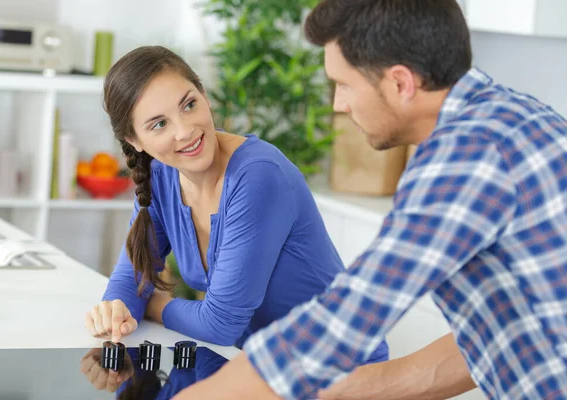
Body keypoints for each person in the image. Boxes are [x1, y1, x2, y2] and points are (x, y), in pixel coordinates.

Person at [173, 0, 567, 399]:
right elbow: (502, 329)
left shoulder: (467, 159)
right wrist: (347, 390)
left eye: (344, 85)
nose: (338, 104)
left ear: (400, 83)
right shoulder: (515, 118)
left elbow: (346, 321)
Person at [83, 45, 389, 365]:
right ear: (134, 141)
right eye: (159, 124)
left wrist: (154, 304)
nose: (186, 131)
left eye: (189, 104)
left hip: (342, 372)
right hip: (268, 368)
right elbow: (131, 279)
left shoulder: (257, 175)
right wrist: (116, 309)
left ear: (204, 95)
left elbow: (220, 324)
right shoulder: (159, 177)